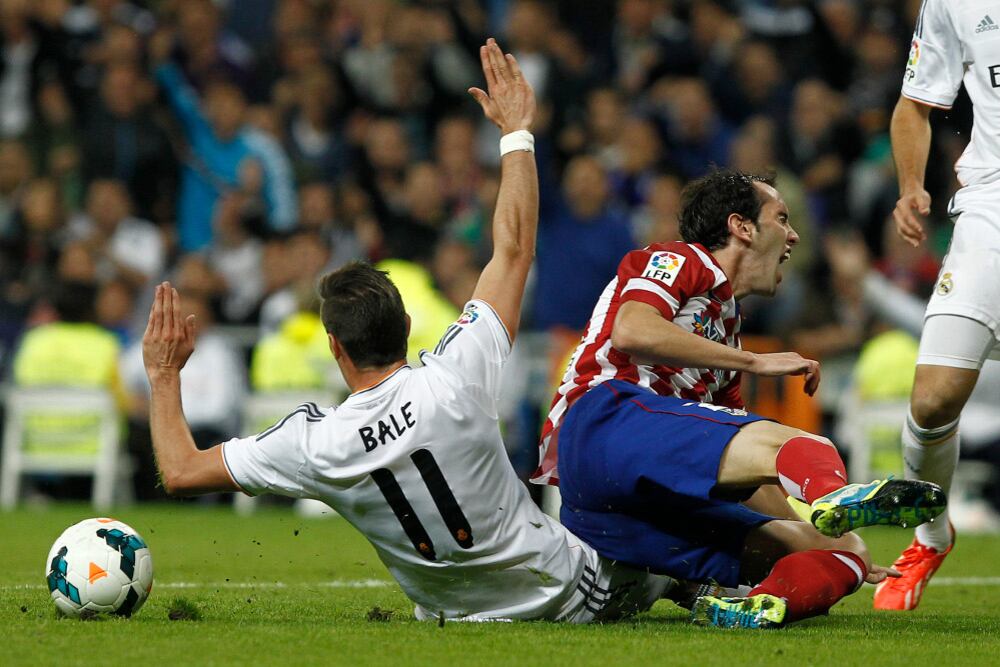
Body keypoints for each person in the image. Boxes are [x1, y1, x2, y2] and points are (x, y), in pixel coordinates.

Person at [139, 39, 676, 623]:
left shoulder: (317, 444)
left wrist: (164, 374)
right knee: (666, 525)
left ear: (336, 348)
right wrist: (517, 133)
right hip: (571, 597)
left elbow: (181, 471)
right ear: (406, 326)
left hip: (457, 620)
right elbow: (514, 250)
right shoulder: (457, 372)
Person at [533, 168, 946, 628]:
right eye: (782, 218)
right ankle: (836, 496)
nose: (793, 236)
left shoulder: (725, 337)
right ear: (741, 227)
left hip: (633, 508)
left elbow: (745, 472)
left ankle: (756, 604)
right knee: (811, 446)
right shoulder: (680, 259)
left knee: (846, 552)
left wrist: (808, 533)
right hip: (603, 427)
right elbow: (632, 330)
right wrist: (755, 363)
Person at [873, 0, 1000, 611]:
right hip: (991, 210)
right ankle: (930, 536)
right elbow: (914, 104)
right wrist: (910, 185)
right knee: (932, 400)